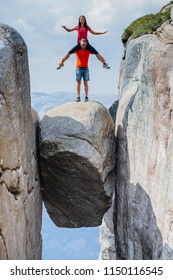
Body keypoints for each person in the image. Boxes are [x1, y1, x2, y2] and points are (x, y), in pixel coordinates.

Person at [58, 38, 108, 102]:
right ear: (80, 43)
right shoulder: (77, 50)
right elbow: (69, 54)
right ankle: (78, 97)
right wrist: (63, 60)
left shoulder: (88, 50)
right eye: (82, 43)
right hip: (78, 68)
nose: (84, 44)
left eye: (85, 43)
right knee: (78, 83)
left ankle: (86, 97)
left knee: (85, 83)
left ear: (86, 44)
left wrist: (103, 61)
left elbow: (97, 55)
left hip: (86, 69)